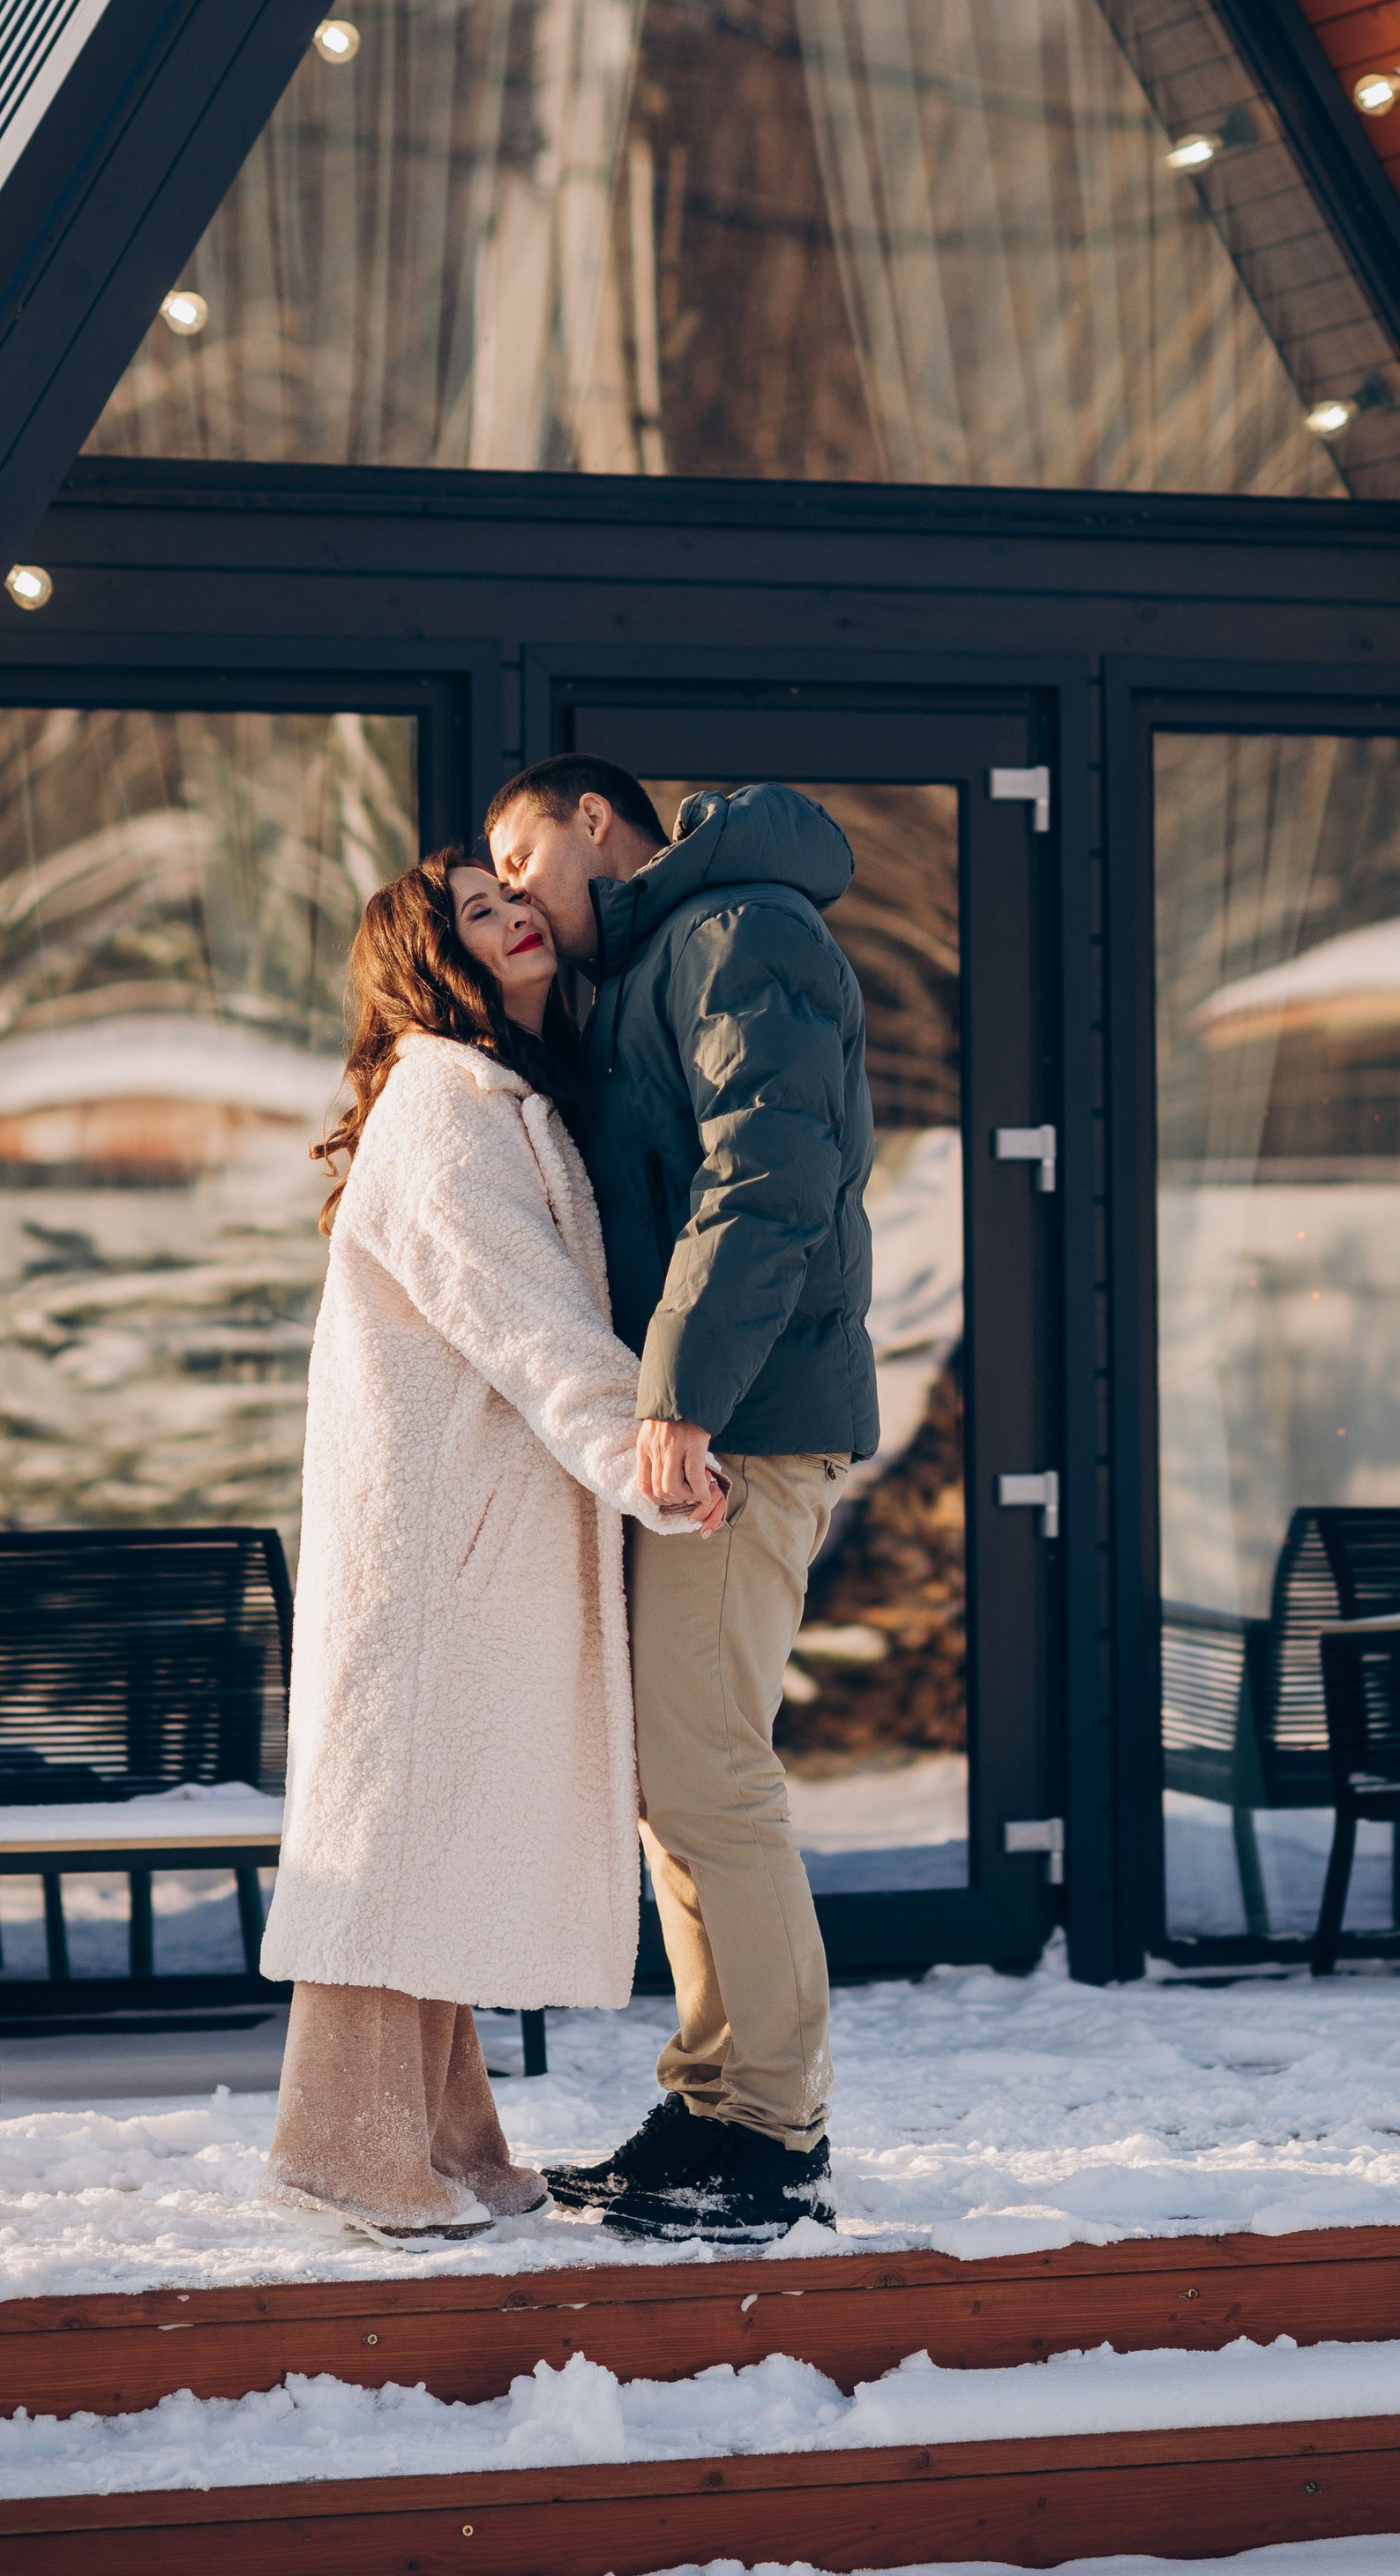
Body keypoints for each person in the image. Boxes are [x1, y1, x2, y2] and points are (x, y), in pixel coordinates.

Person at [261, 844, 722, 2245]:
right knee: (392, 1833)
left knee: (435, 1829)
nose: (517, 914)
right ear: (430, 953)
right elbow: (522, 1317)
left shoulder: (496, 1095)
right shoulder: (446, 1104)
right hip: (434, 1532)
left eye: (515, 896)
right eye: (478, 909)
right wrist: (641, 1458)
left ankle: (450, 2135)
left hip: (465, 1516)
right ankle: (340, 2147)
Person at [485, 756, 878, 2246]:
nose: (516, 895)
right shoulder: (662, 959)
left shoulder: (739, 930)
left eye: (522, 860)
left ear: (597, 821)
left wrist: (687, 1399)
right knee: (676, 1784)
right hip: (712, 1425)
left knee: (709, 1769)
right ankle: (715, 2097)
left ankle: (773, 2128)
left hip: (748, 1426)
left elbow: (770, 1175)